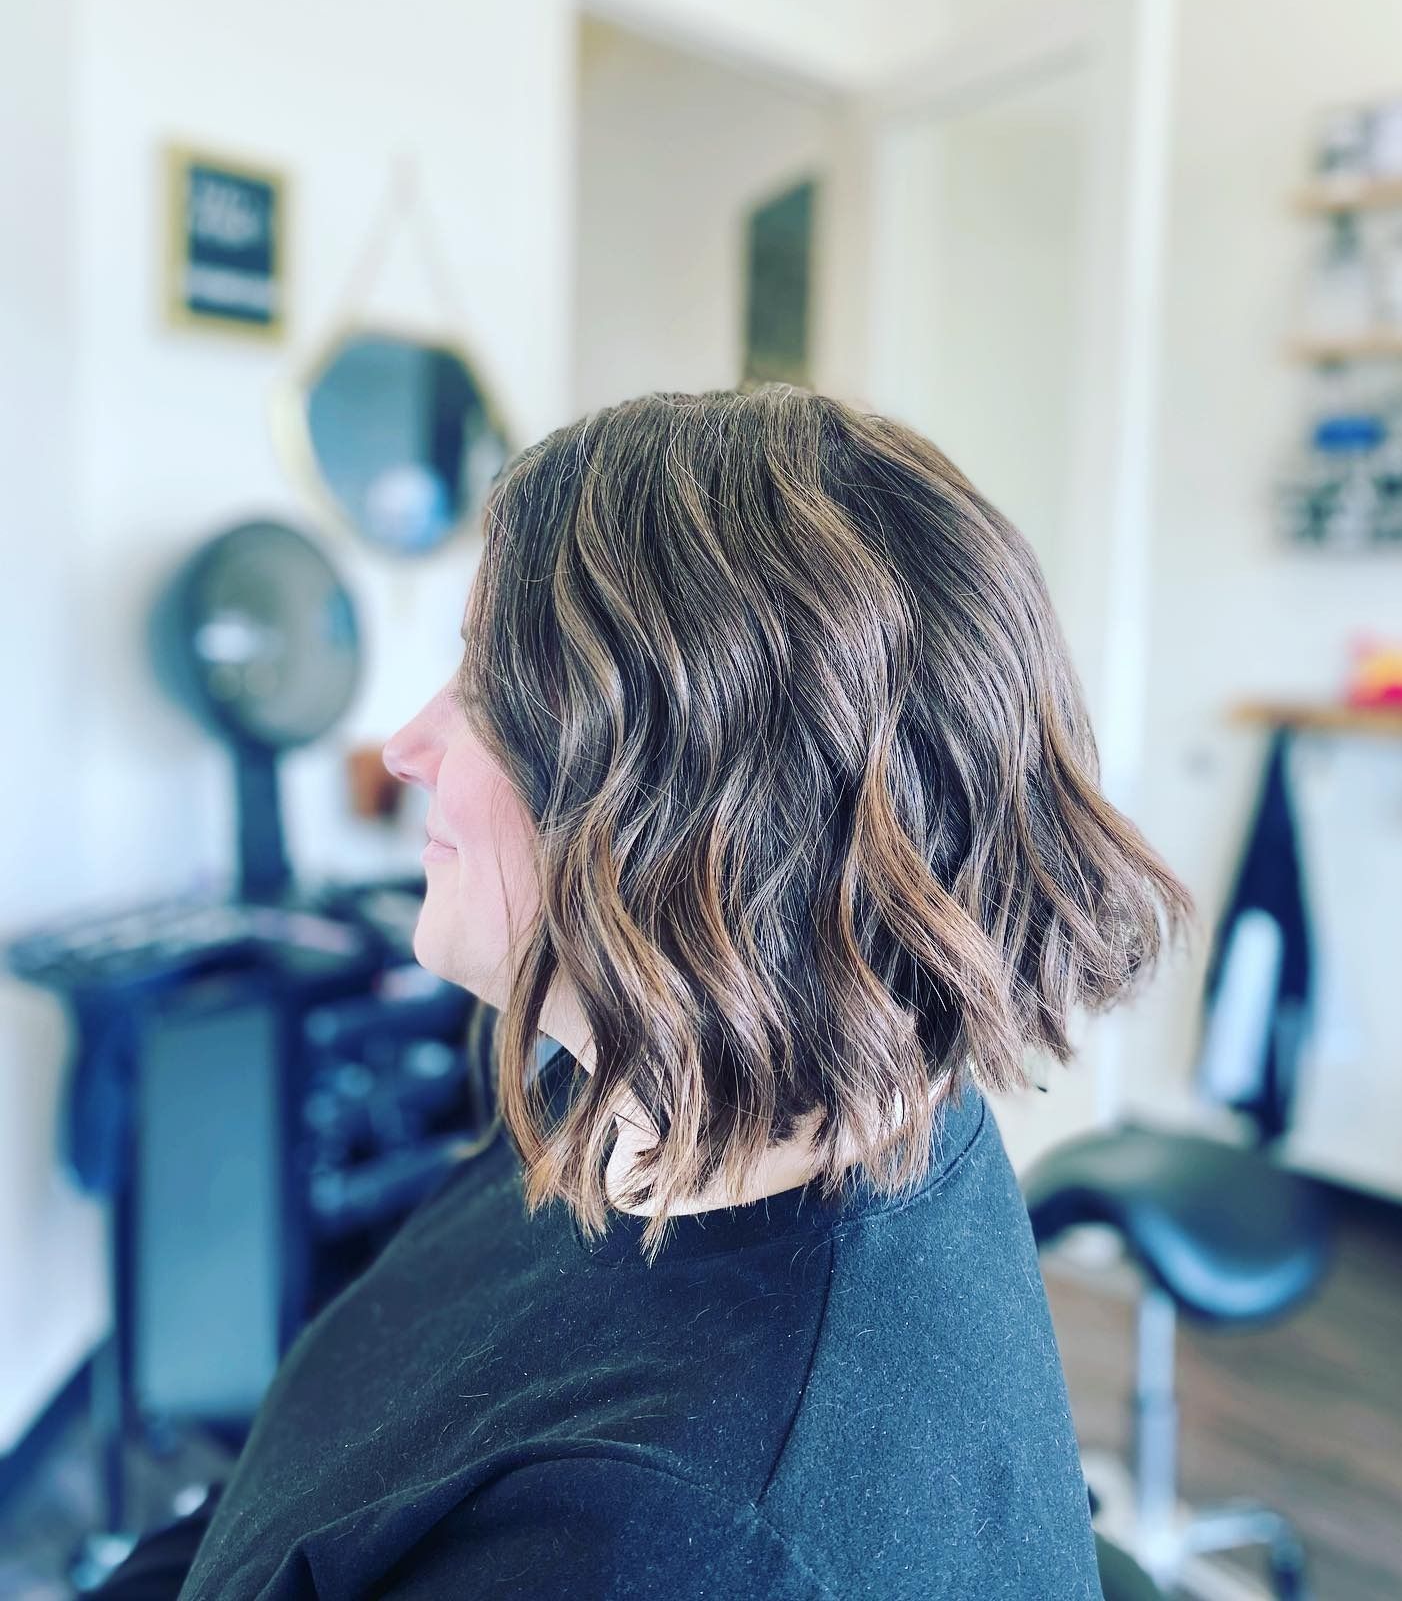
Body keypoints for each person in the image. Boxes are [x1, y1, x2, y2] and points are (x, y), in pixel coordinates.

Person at [115, 384, 1195, 1598]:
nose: (410, 744)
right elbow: (305, 1487)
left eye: (482, 688)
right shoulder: (660, 1087)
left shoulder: (676, 1542)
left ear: (687, 800)